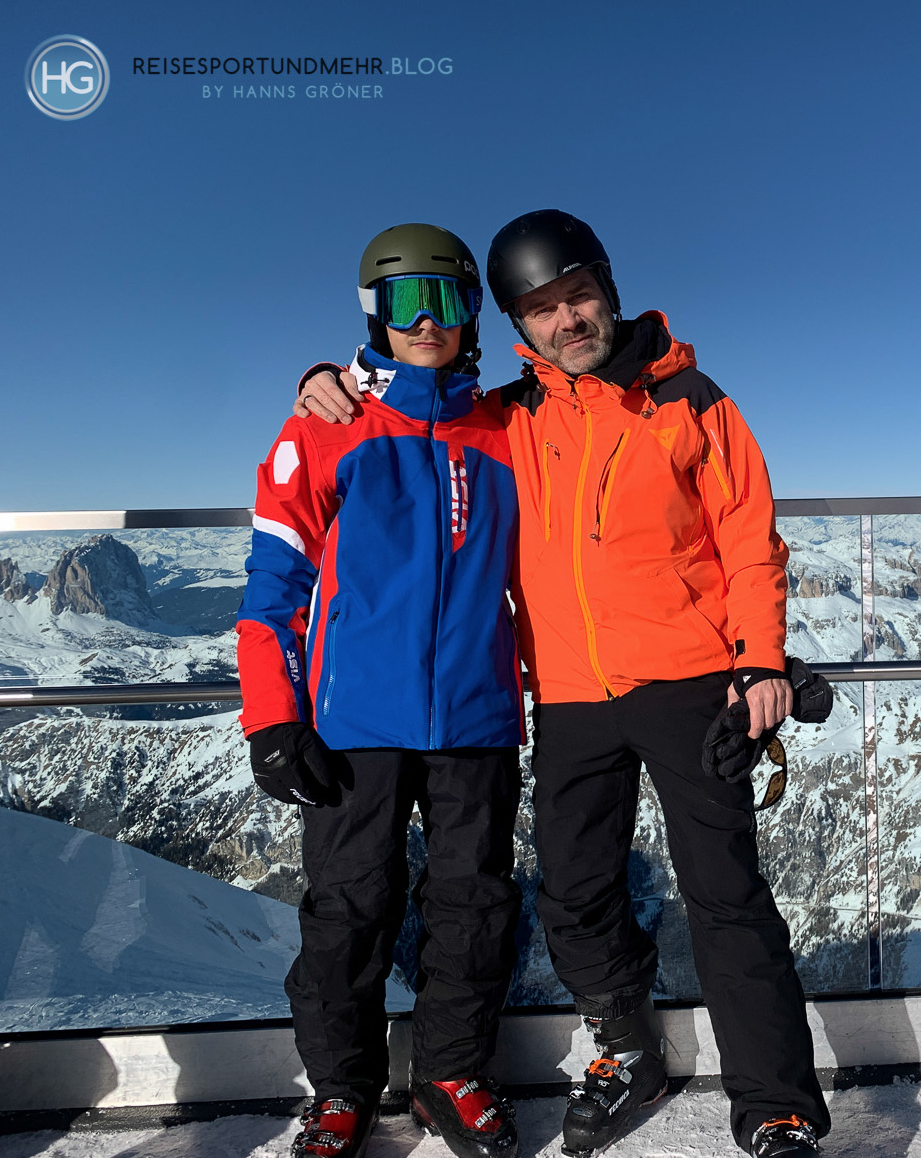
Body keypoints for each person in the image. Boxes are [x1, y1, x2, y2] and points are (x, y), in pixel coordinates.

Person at [296, 210, 831, 1158]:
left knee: (726, 895)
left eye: (577, 296)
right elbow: (416, 404)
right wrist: (329, 378)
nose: (565, 320)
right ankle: (627, 1048)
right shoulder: (511, 415)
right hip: (572, 695)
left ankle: (776, 1105)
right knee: (576, 895)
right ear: (516, 325)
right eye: (541, 309)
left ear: (610, 291)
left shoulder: (695, 402)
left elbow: (752, 541)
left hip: (690, 681)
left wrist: (759, 659)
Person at [239, 223, 523, 1158]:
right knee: (349, 910)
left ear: (473, 310)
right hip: (355, 720)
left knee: (473, 906)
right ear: (376, 314)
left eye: (446, 298)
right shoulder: (325, 428)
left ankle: (449, 1073)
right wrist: (274, 717)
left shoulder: (510, 430)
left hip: (476, 716)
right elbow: (272, 587)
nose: (428, 319)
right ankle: (342, 1090)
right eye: (406, 302)